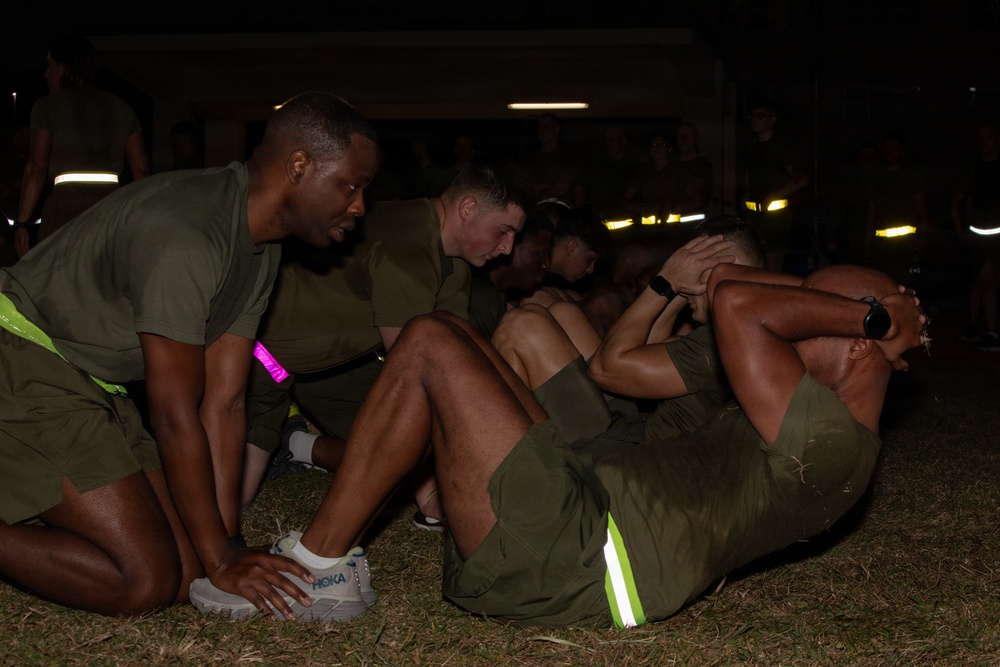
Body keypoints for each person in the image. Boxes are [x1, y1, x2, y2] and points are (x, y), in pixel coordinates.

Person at [189, 261, 926, 627]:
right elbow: (729, 281)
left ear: (860, 344)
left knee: (428, 343)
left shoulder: (835, 441)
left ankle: (315, 571)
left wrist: (871, 318)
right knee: (468, 346)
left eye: (816, 317)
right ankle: (328, 533)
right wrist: (854, 309)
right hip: (585, 509)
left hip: (585, 558)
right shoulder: (819, 420)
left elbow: (736, 300)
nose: (798, 321)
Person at [0, 92, 380, 616]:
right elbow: (175, 414)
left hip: (92, 381)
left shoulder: (260, 244)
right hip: (22, 358)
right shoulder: (189, 232)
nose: (359, 205)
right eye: (351, 185)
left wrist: (224, 552)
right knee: (145, 581)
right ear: (299, 166)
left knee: (188, 575)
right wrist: (222, 558)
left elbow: (223, 403)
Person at [240, 157, 536, 508]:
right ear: (468, 208)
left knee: (407, 432)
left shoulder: (453, 261)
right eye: (504, 231)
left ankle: (429, 507)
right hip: (261, 357)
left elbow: (460, 364)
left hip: (330, 366)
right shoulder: (405, 248)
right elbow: (417, 382)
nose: (507, 248)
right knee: (225, 507)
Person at [14, 34, 149, 257]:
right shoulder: (122, 107)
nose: (46, 74)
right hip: (110, 207)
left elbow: (37, 166)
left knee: (56, 274)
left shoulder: (46, 106)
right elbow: (141, 170)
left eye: (50, 65)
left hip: (65, 207)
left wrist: (22, 224)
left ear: (63, 68)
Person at [950, 121, 1000, 351]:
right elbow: (957, 203)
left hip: (995, 234)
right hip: (979, 236)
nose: (984, 142)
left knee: (984, 282)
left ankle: (975, 326)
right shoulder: (974, 169)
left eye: (988, 137)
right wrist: (962, 230)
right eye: (981, 138)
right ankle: (990, 333)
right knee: (984, 281)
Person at [742, 103, 809, 272]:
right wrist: (745, 193)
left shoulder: (781, 147)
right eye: (752, 116)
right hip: (753, 215)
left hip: (775, 218)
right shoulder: (751, 146)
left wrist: (774, 196)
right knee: (754, 261)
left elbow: (801, 180)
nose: (755, 120)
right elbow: (749, 175)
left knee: (771, 263)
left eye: (760, 116)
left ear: (773, 120)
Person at [865, 131, 929, 287]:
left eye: (894, 147)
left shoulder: (911, 177)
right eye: (886, 147)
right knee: (882, 286)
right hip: (881, 246)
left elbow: (922, 212)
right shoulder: (875, 179)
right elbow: (871, 214)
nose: (889, 151)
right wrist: (867, 245)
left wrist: (922, 241)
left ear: (902, 152)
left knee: (904, 286)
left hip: (905, 246)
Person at [622, 128, 702, 246]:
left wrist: (672, 211)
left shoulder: (679, 171)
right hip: (647, 234)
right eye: (654, 144)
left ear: (669, 148)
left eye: (662, 144)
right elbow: (623, 200)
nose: (658, 147)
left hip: (674, 233)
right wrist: (638, 209)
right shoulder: (643, 172)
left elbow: (697, 200)